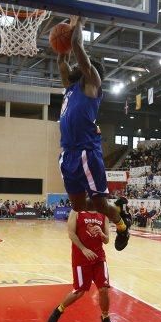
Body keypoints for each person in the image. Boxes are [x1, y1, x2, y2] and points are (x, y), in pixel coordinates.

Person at [57, 16, 131, 250]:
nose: (78, 66)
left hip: (87, 153)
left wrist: (78, 24)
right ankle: (114, 207)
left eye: (82, 65)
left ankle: (121, 224)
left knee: (99, 205)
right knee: (78, 206)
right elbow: (62, 60)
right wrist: (64, 35)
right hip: (68, 154)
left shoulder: (92, 83)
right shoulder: (70, 88)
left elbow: (79, 49)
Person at [47, 209, 119, 322]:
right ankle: (59, 310)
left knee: (104, 289)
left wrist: (102, 234)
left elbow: (106, 240)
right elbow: (71, 233)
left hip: (99, 258)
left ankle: (105, 319)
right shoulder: (76, 211)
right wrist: (84, 249)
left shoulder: (103, 214)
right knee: (79, 291)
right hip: (81, 257)